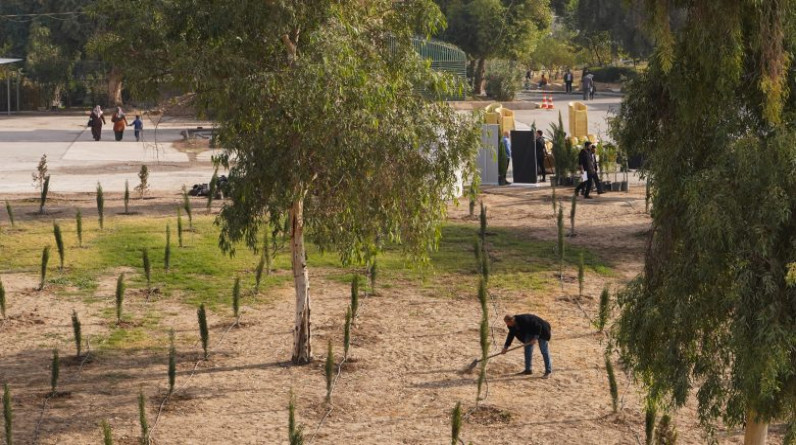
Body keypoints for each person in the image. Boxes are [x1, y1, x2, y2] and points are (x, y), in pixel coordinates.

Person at [501, 314, 552, 378]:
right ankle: (528, 370)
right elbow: (511, 335)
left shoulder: (524, 320)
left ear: (512, 320)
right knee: (527, 349)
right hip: (530, 332)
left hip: (542, 330)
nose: (507, 325)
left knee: (544, 351)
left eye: (508, 323)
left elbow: (538, 326)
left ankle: (548, 371)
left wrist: (535, 338)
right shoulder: (511, 326)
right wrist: (506, 347)